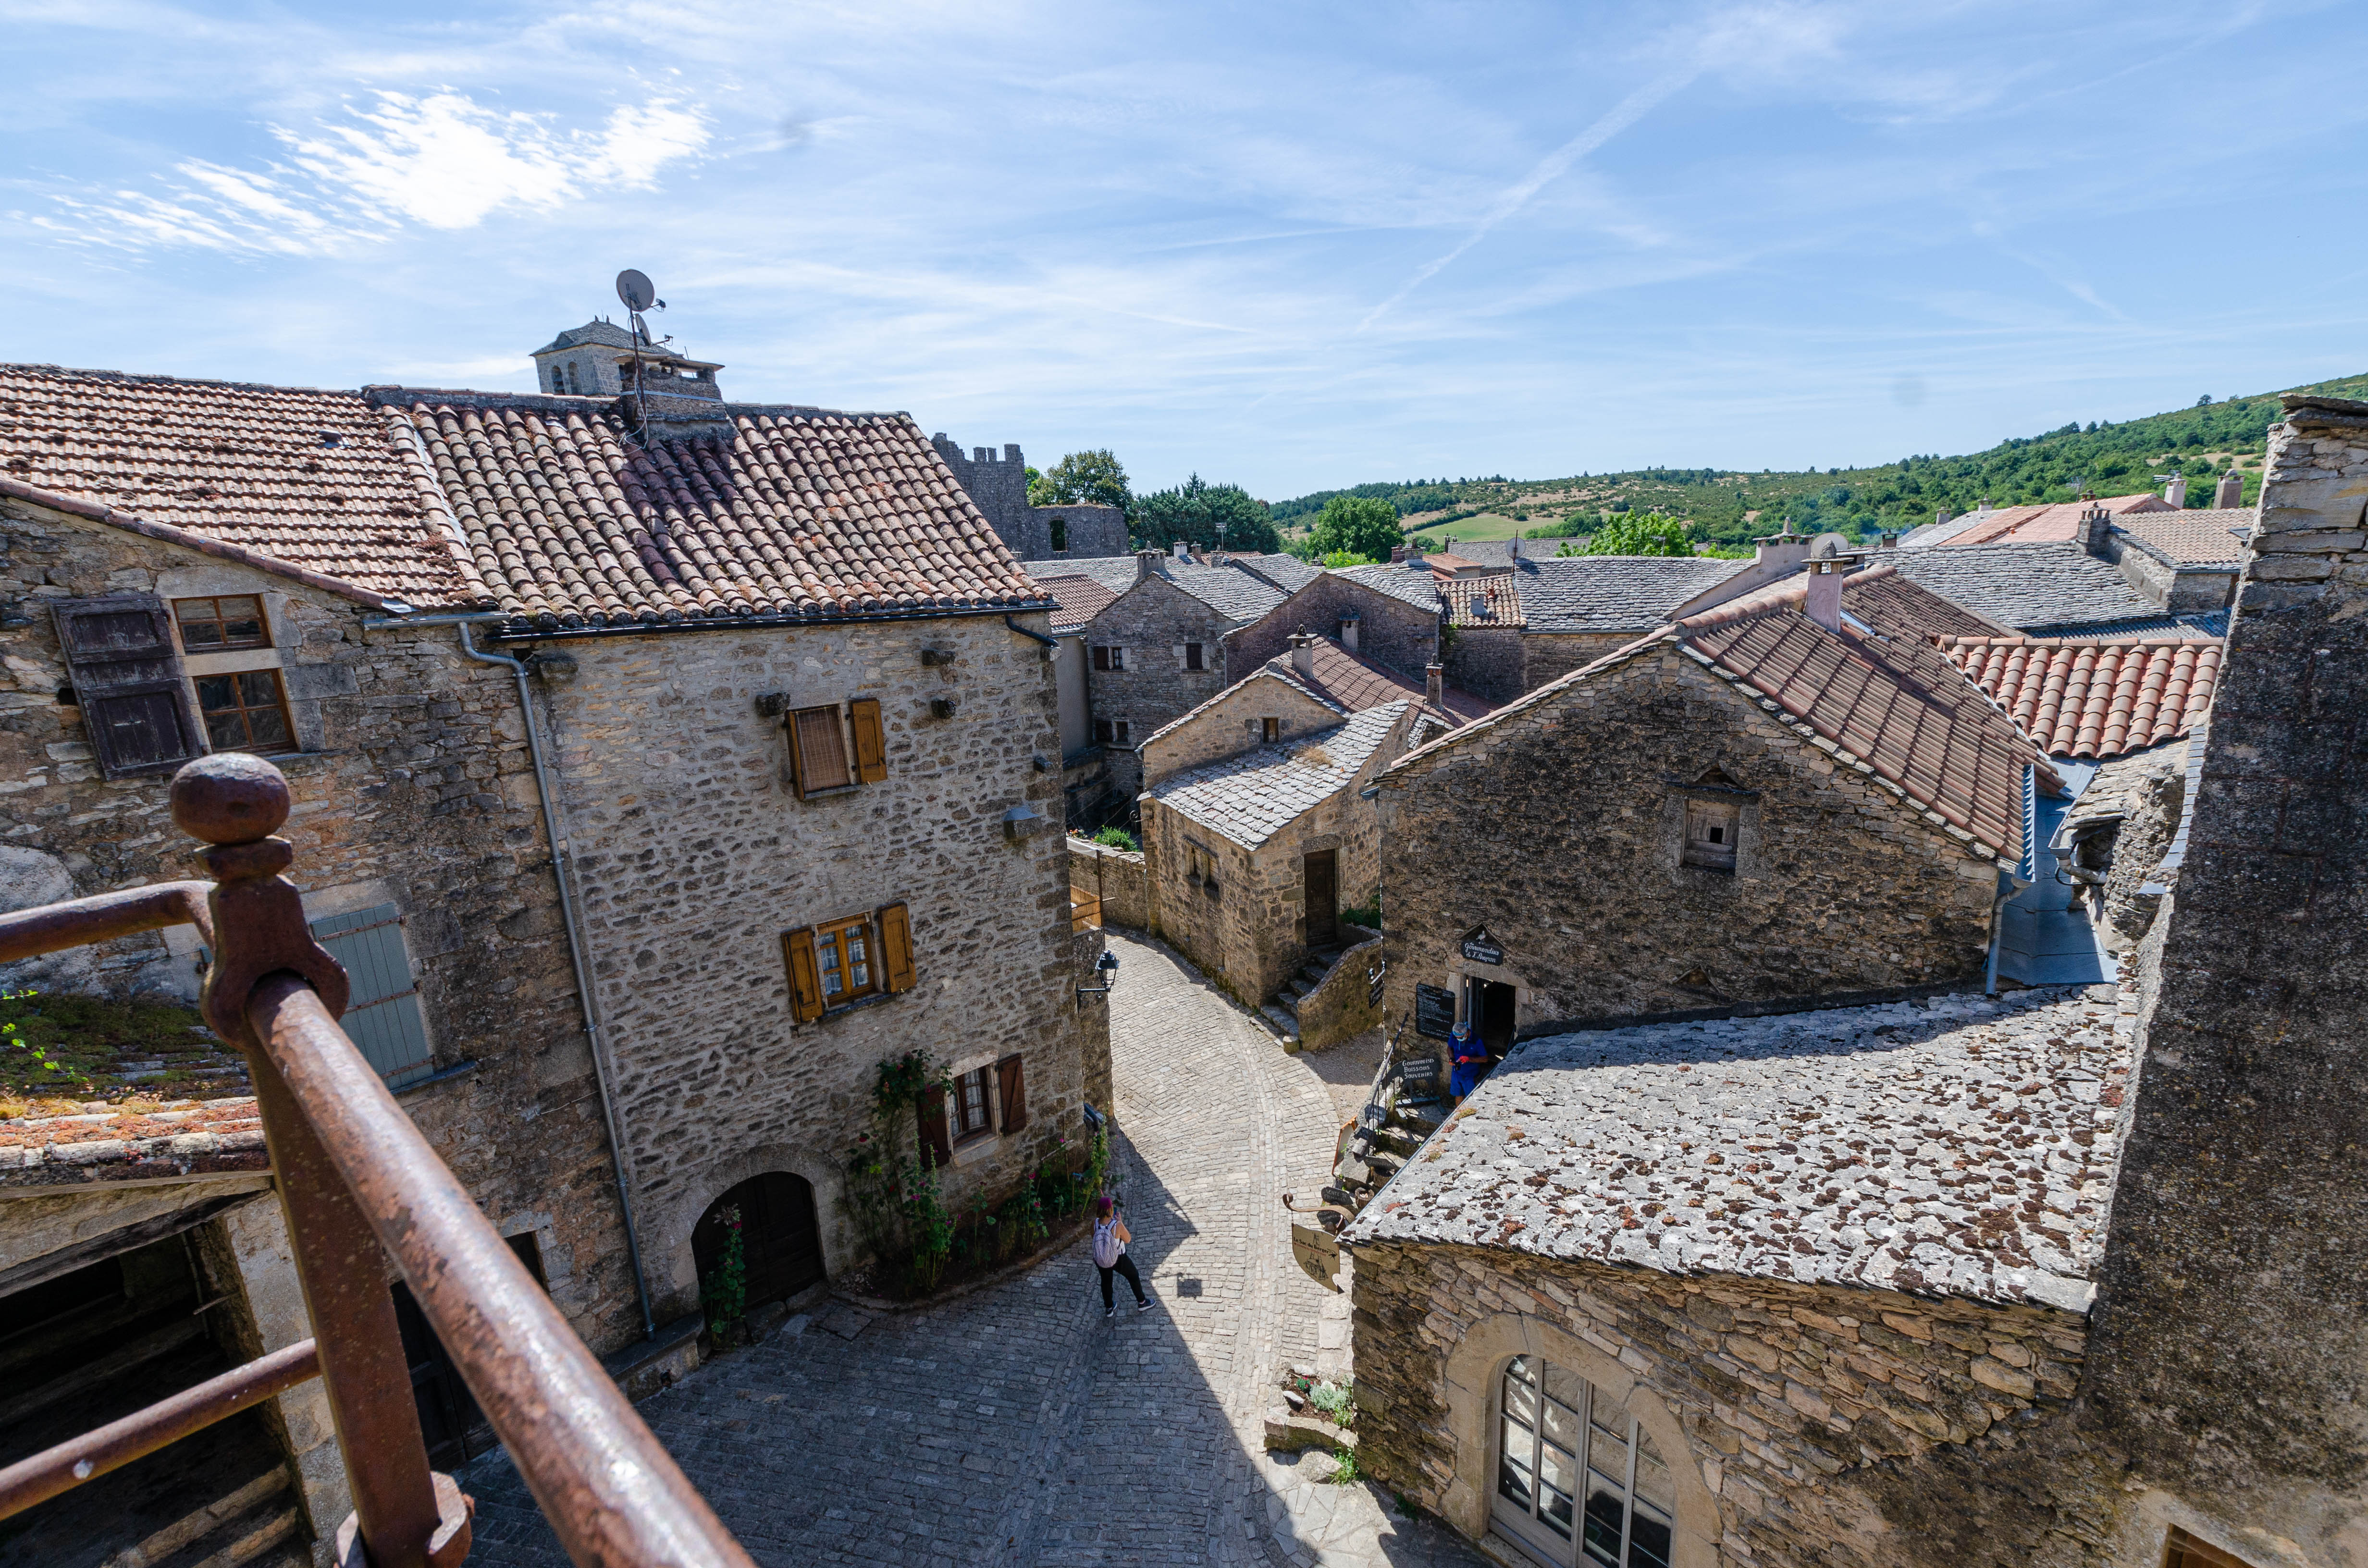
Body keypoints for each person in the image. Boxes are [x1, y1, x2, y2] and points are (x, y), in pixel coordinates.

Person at [1090, 1195, 1151, 1317]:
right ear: (1110, 1209)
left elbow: (1094, 1237)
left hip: (1101, 1258)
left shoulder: (1094, 1223)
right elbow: (1128, 1239)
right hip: (1119, 1258)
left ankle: (1109, 1308)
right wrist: (1120, 1222)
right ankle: (1142, 1302)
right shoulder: (1116, 1225)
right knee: (1133, 1276)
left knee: (1106, 1282)